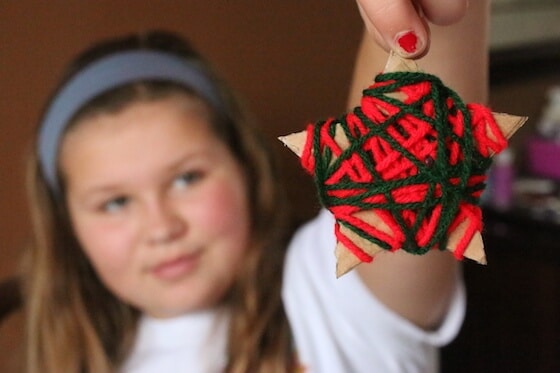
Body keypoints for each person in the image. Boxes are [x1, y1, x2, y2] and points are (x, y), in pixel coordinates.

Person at [22, 1, 486, 371]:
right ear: (68, 226)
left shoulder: (328, 292)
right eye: (115, 202)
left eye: (187, 178)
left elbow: (409, 161)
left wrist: (415, 15)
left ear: (245, 166)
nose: (161, 227)